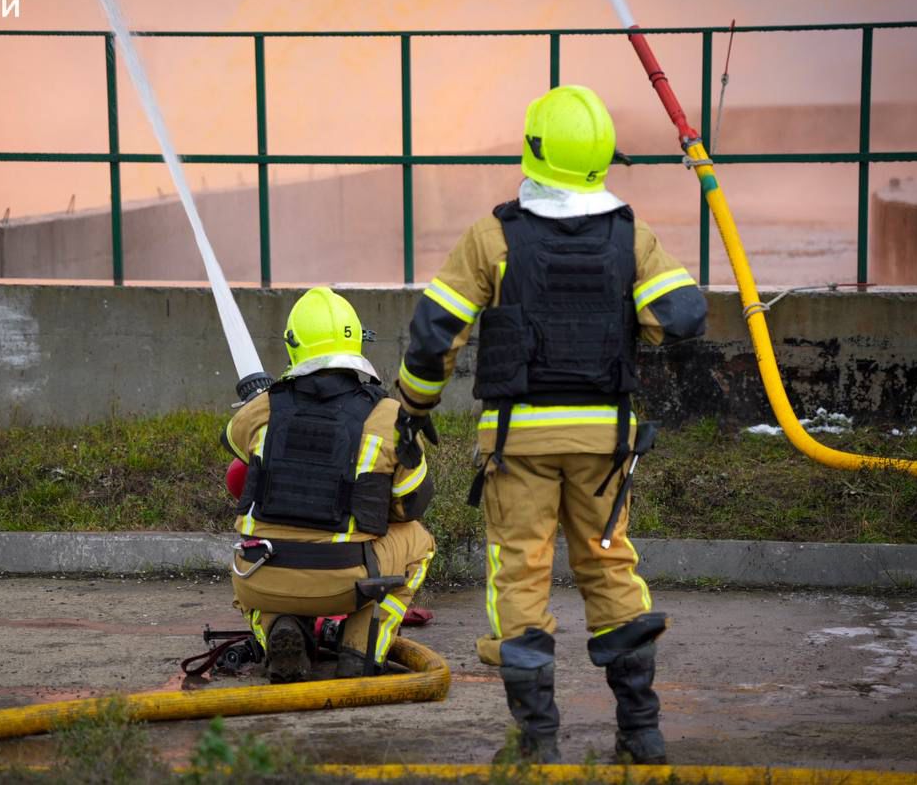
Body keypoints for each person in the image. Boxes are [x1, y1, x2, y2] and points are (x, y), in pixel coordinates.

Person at [392, 85, 706, 764]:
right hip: (604, 445)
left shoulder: (495, 234)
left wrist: (414, 407)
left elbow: (432, 333)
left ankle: (536, 741)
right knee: (611, 568)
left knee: (521, 577)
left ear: (533, 148)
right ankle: (642, 732)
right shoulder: (630, 234)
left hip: (518, 445)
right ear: (600, 158)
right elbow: (681, 316)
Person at [223, 286, 436, 682]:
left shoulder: (263, 408)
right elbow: (410, 505)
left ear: (293, 347)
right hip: (346, 579)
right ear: (356, 340)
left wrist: (265, 396)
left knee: (259, 567)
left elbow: (234, 444)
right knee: (420, 541)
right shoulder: (388, 415)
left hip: (260, 573)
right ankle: (360, 647)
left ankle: (277, 631)